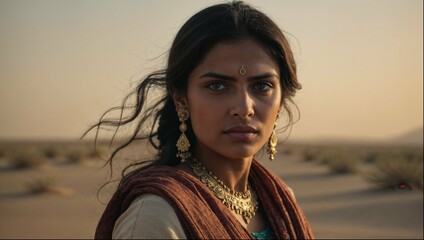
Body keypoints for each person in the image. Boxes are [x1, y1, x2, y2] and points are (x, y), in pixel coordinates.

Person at [90, 1, 314, 239]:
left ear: (280, 101)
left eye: (262, 86)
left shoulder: (281, 201)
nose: (244, 108)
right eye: (217, 86)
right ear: (181, 99)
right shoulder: (156, 217)